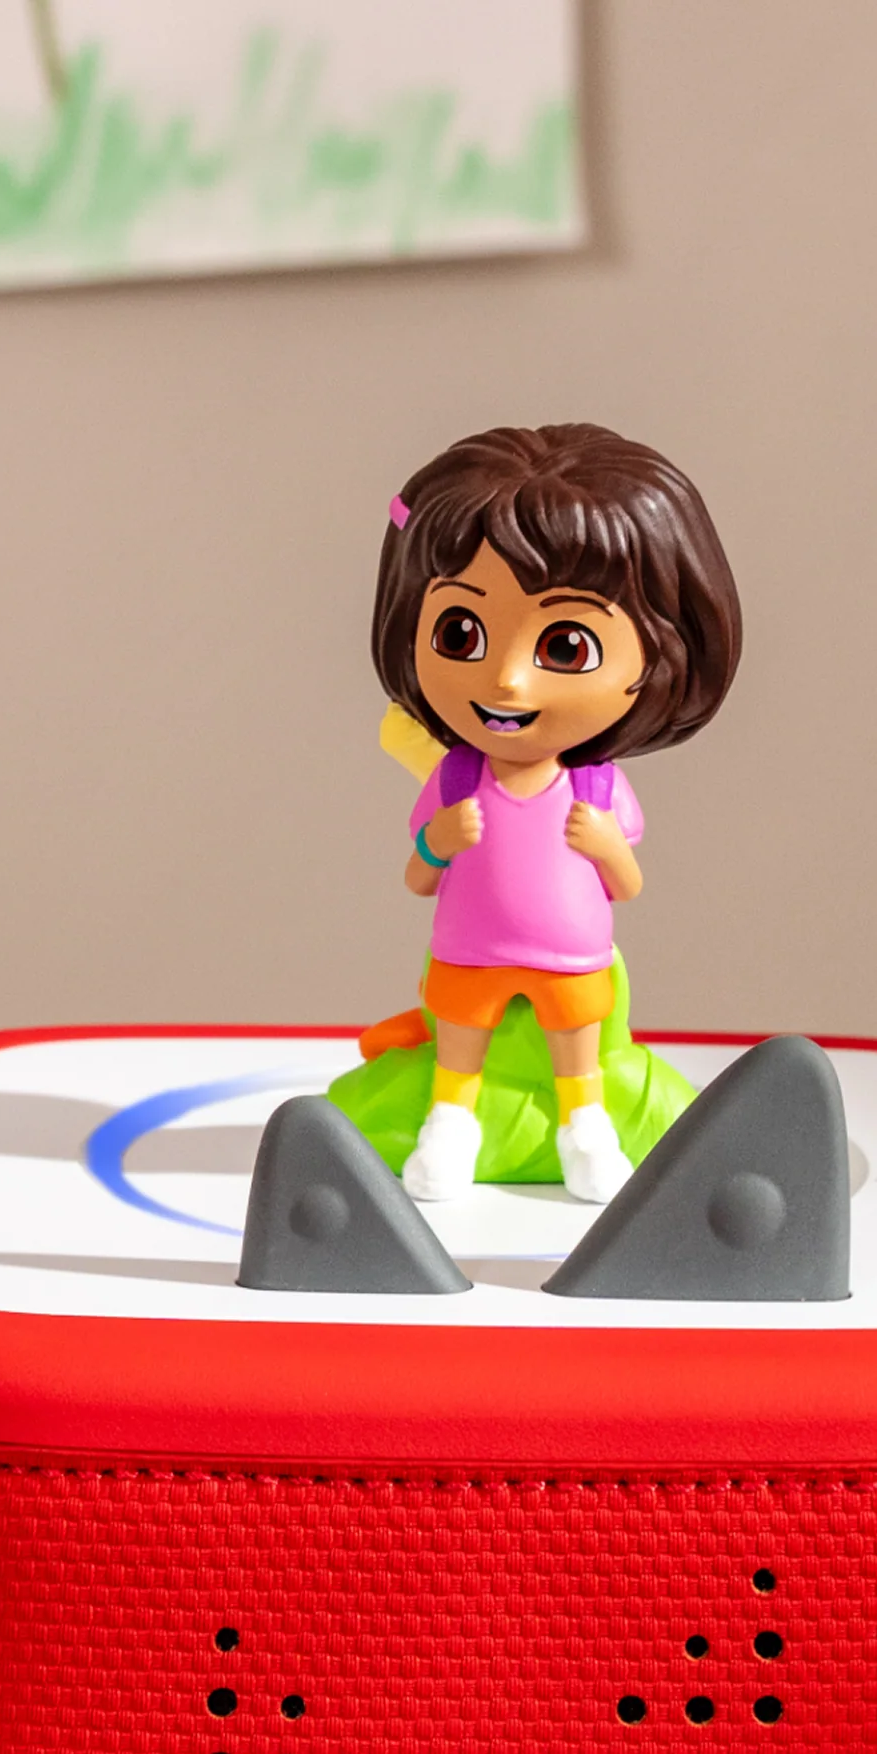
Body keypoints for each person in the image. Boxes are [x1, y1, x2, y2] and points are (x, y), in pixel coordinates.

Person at [367, 423, 741, 1203]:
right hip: (467, 951)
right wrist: (438, 841)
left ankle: (587, 1130)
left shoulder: (597, 790)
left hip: (572, 957)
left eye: (565, 648)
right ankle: (449, 1127)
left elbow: (627, 885)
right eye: (461, 633)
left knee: (578, 1050)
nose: (506, 681)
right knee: (458, 1047)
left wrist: (606, 845)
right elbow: (416, 878)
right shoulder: (455, 778)